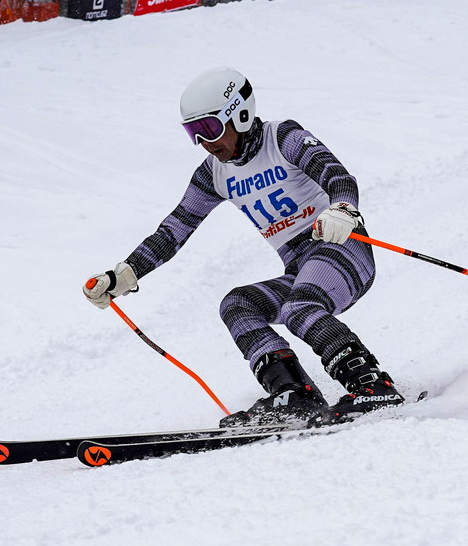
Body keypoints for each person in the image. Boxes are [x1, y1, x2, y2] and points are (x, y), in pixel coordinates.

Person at [83, 67, 405, 427]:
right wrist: (125, 273)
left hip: (343, 251)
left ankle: (372, 386)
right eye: (194, 133)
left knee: (300, 308)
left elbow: (338, 176)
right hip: (300, 268)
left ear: (240, 114)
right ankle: (294, 394)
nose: (204, 142)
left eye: (209, 129)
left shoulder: (283, 138)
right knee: (238, 304)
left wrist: (342, 208)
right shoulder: (214, 173)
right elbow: (175, 228)